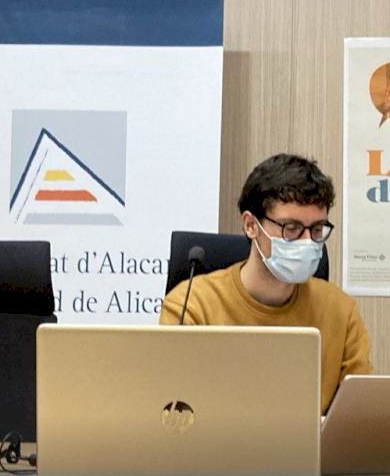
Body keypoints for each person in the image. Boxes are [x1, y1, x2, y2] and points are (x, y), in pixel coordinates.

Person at [160, 154, 373, 414]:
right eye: (291, 228)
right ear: (251, 225)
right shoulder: (192, 305)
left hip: (311, 442)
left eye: (317, 229)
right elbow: (173, 413)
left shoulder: (341, 311)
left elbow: (359, 417)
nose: (307, 241)